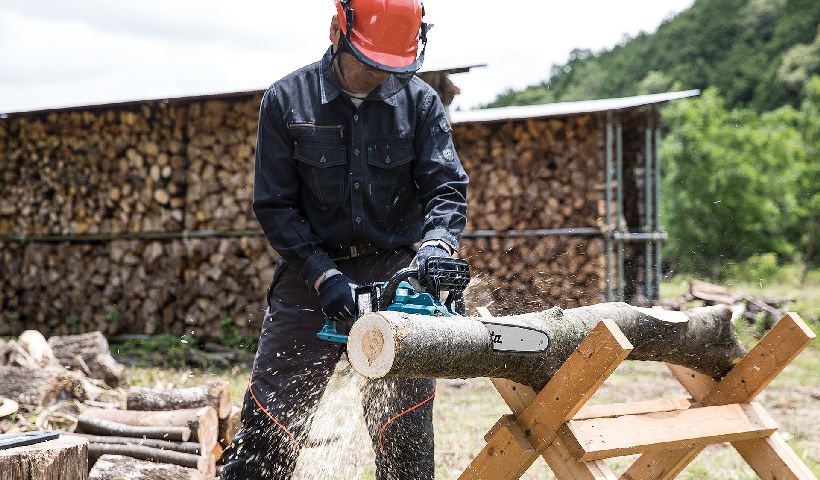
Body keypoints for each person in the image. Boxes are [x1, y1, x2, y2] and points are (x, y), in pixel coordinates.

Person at [219, 0, 468, 478]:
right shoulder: (287, 100)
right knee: (268, 429)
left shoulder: (418, 103)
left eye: (389, 65)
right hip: (310, 271)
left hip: (396, 272)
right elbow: (276, 205)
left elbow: (446, 187)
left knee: (406, 442)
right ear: (338, 32)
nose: (379, 75)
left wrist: (437, 247)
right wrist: (322, 275)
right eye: (371, 62)